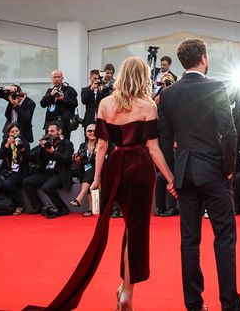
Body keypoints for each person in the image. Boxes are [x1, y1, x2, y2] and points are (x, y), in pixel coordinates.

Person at [26, 56, 175, 311]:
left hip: (115, 166)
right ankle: (127, 291)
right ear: (143, 77)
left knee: (108, 228)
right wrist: (171, 179)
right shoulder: (148, 105)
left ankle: (124, 289)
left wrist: (96, 178)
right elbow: (153, 148)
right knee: (135, 230)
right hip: (140, 167)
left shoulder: (105, 103)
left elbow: (102, 147)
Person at [159, 39, 240, 310]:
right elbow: (229, 132)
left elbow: (164, 140)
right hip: (213, 172)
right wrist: (229, 168)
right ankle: (229, 304)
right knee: (225, 237)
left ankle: (194, 305)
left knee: (189, 241)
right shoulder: (216, 86)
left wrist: (173, 175)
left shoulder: (168, 94)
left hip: (186, 174)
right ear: (204, 59)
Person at [22, 122, 74, 217]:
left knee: (46, 187)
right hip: (47, 172)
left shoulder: (67, 143)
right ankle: (38, 207)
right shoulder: (48, 142)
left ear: (59, 131)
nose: (49, 133)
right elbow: (38, 160)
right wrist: (42, 149)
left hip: (59, 174)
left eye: (52, 131)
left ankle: (62, 208)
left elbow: (66, 159)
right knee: (26, 182)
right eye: (48, 131)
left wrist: (53, 151)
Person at [0, 122, 30, 214]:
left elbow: (28, 159)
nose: (14, 133)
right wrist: (7, 144)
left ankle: (19, 205)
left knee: (8, 183)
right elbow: (0, 156)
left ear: (20, 131)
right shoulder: (5, 142)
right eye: (12, 131)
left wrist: (21, 149)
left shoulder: (25, 142)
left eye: (16, 131)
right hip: (6, 170)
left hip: (19, 171)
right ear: (9, 133)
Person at [69, 123, 99, 216]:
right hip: (86, 172)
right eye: (90, 131)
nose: (92, 133)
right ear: (86, 133)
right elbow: (80, 161)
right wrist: (77, 160)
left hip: (100, 171)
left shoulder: (101, 144)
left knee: (90, 173)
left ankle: (79, 199)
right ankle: (93, 209)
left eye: (95, 131)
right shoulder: (83, 145)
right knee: (89, 174)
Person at [41, 70, 79, 136]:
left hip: (64, 123)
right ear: (51, 79)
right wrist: (51, 95)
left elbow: (74, 104)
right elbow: (42, 104)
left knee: (64, 143)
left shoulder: (69, 90)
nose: (56, 79)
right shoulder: (50, 90)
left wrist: (63, 99)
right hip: (50, 122)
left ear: (62, 78)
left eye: (58, 77)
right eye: (54, 77)